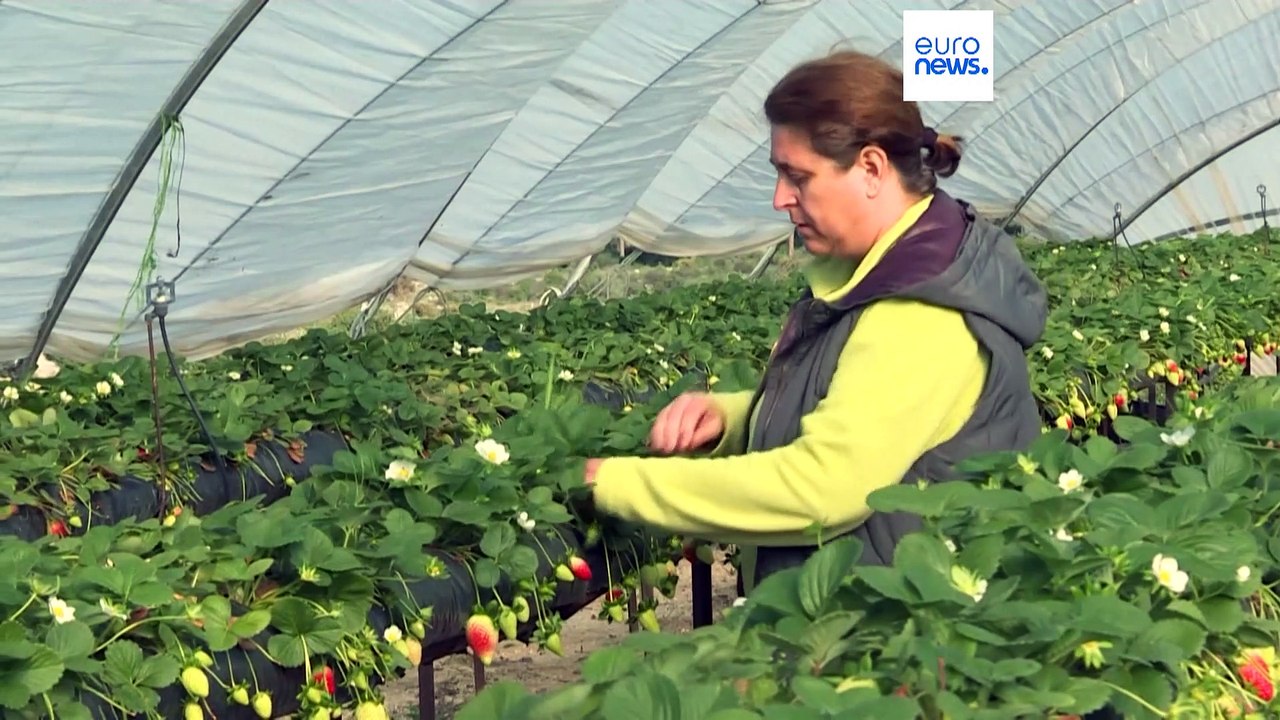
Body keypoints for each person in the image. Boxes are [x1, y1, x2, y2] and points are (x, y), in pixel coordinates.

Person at [583, 50, 1048, 593]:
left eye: (797, 176)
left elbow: (824, 486)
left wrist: (615, 482)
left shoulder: (920, 313)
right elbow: (855, 410)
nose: (781, 198)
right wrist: (733, 418)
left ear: (871, 169)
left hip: (892, 647)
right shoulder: (892, 273)